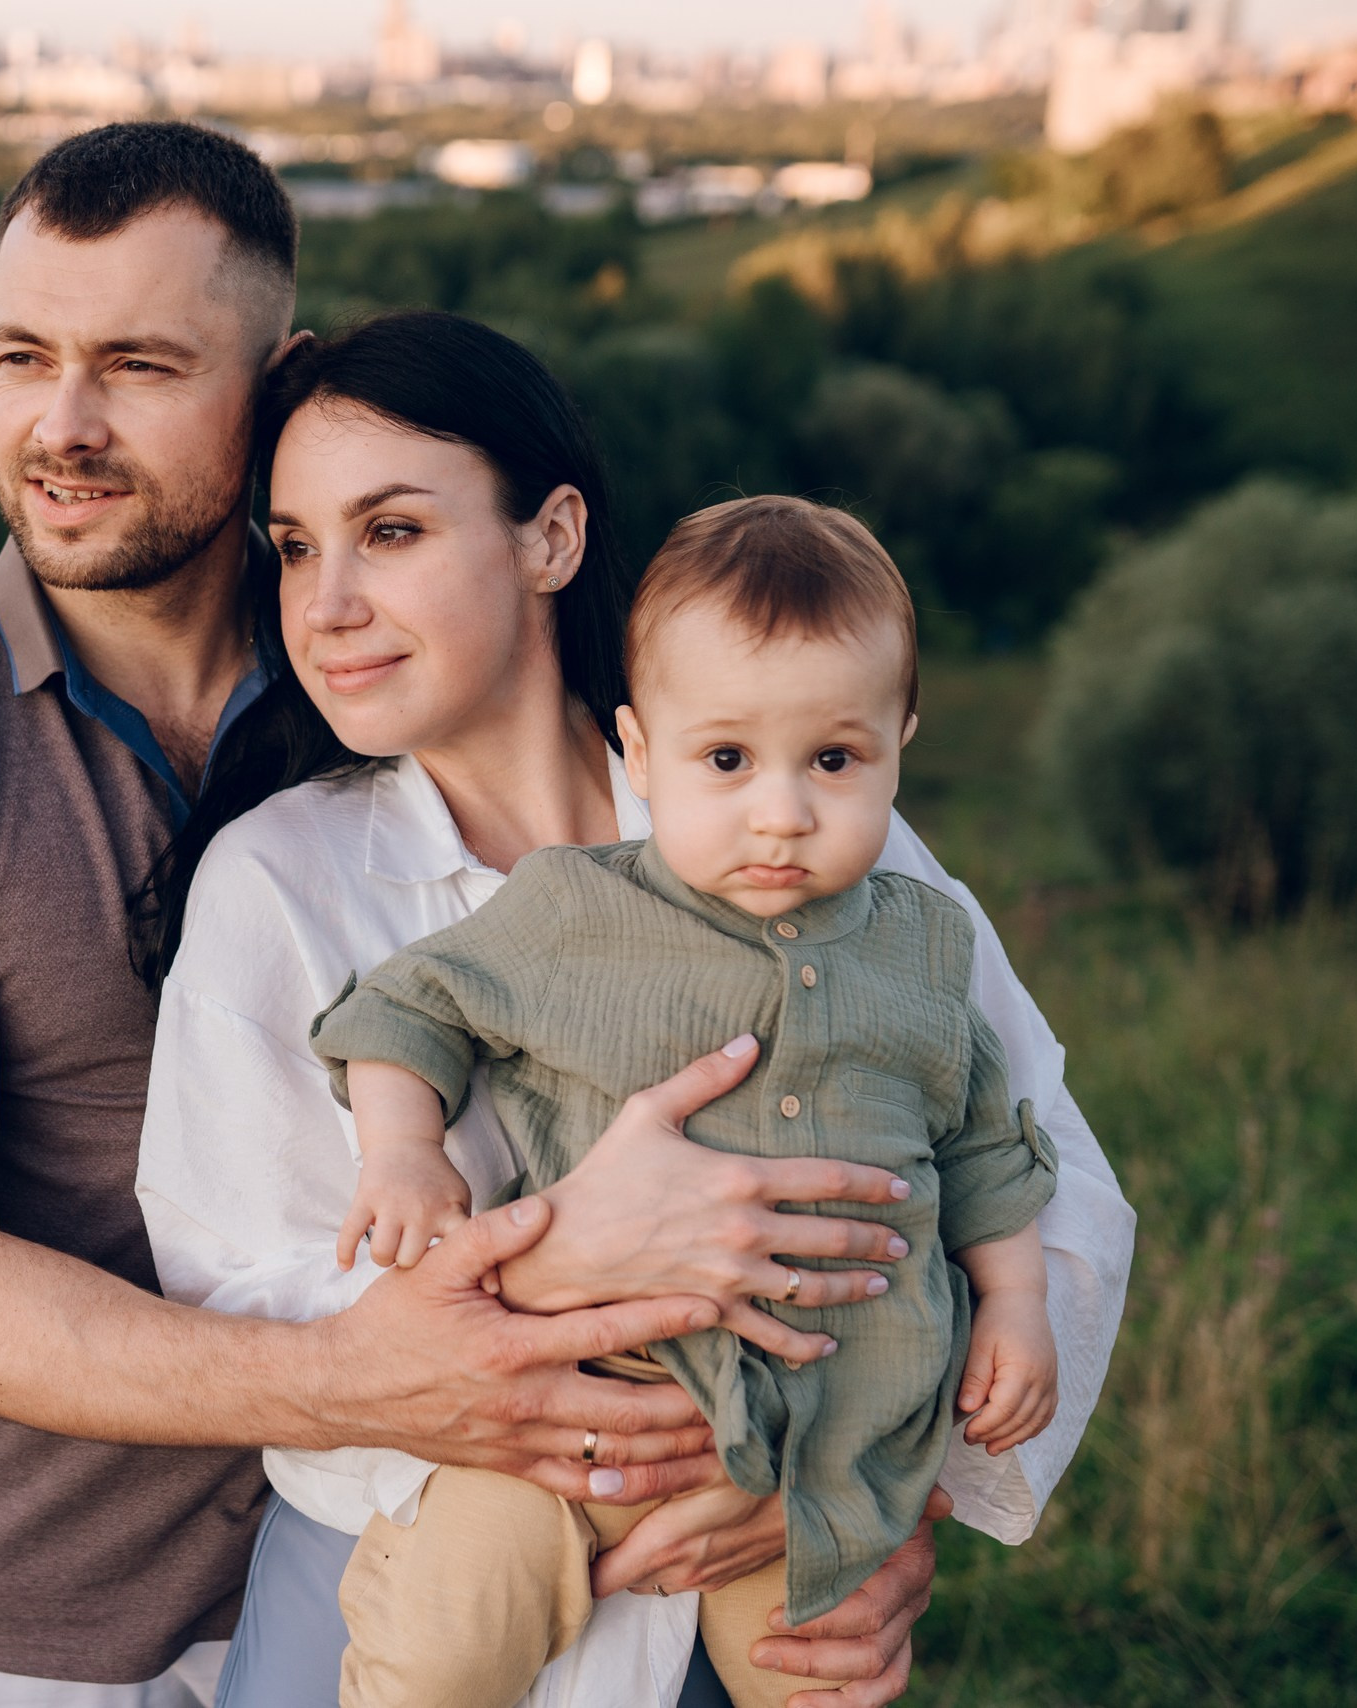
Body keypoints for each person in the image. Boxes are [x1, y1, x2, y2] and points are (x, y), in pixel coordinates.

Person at [0, 123, 1065, 1708]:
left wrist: (867, 1484)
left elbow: (1022, 1150)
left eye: (141, 363)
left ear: (270, 379)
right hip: (92, 1586)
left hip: (576, 1564)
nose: (64, 422)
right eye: (19, 355)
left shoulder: (728, 799)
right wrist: (564, 1271)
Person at [134, 314, 1136, 1708]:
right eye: (297, 546)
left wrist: (880, 1492)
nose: (329, 601)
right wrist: (557, 1264)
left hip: (732, 1605)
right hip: (408, 1592)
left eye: (394, 532)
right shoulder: (278, 882)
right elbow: (239, 1289)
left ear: (552, 537)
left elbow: (1047, 1179)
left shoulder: (797, 822)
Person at [309, 493, 1064, 1708]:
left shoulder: (924, 945)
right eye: (726, 760)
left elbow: (982, 1139)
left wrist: (1017, 1303)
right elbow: (409, 1004)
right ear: (641, 751)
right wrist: (402, 1149)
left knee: (819, 1681)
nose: (782, 811)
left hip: (816, 1454)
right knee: (442, 1658)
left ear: (898, 741)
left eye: (833, 759)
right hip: (575, 1416)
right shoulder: (576, 910)